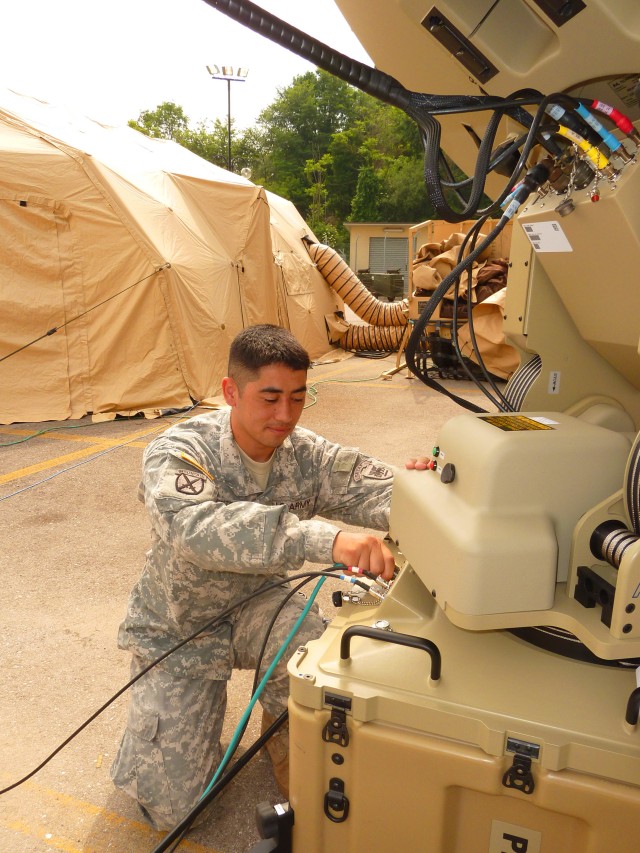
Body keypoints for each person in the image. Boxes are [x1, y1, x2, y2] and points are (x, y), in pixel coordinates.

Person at [111, 323, 396, 831]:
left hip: (261, 607)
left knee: (312, 653)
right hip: (180, 628)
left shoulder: (306, 452)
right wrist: (322, 539)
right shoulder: (180, 450)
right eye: (269, 398)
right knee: (175, 815)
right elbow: (194, 528)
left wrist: (427, 491)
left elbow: (381, 490)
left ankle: (285, 724)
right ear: (230, 392)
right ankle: (183, 720)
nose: (284, 415)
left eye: (297, 398)